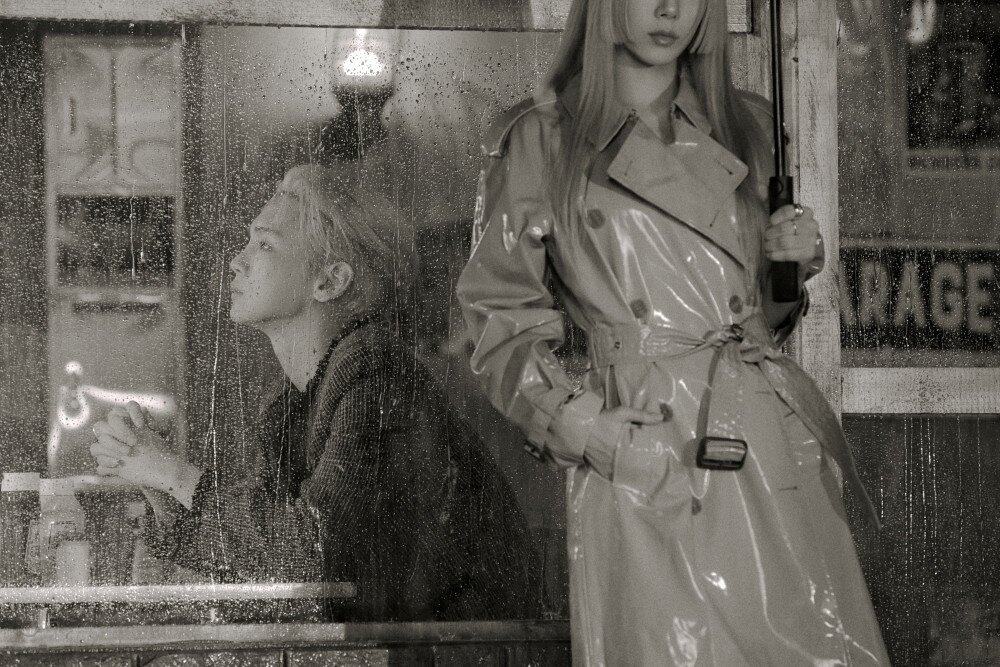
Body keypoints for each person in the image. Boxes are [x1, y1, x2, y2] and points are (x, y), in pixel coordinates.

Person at [457, 0, 889, 663]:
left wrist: (787, 268)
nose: (668, 9)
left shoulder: (746, 126)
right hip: (648, 445)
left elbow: (751, 321)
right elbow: (495, 309)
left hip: (764, 444)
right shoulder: (545, 137)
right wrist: (578, 423)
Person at [90, 163, 541, 621]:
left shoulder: (376, 377)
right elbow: (259, 553)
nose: (238, 261)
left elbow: (312, 554)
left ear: (330, 281)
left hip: (465, 649)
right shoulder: (293, 400)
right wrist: (159, 487)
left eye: (265, 244)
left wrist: (168, 471)